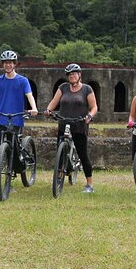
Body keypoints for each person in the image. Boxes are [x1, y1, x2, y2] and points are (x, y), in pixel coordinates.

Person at [0, 50, 38, 191]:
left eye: (10, 63)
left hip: (16, 120)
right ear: (3, 65)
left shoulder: (23, 81)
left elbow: (29, 95)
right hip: (0, 119)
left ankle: (8, 181)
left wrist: (34, 108)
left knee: (12, 150)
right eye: (5, 63)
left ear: (14, 64)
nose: (8, 65)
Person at [44, 63, 98, 193]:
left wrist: (89, 116)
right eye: (69, 74)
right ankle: (58, 177)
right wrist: (48, 110)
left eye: (74, 73)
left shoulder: (86, 89)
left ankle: (89, 184)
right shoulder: (63, 87)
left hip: (79, 125)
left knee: (83, 154)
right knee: (60, 152)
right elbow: (54, 102)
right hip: (64, 124)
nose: (72, 76)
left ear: (79, 75)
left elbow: (94, 107)